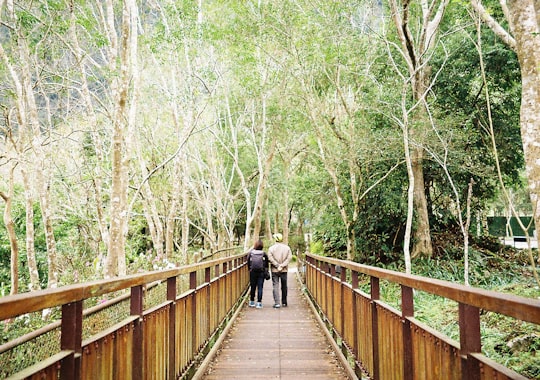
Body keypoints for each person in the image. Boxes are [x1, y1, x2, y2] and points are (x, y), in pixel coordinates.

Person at [268, 233, 292, 308]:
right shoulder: (287, 248)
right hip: (284, 270)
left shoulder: (271, 248)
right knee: (284, 286)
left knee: (275, 285)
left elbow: (270, 258)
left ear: (275, 239)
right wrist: (282, 265)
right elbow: (289, 258)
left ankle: (277, 303)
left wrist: (277, 265)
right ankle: (284, 302)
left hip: (275, 270)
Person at [247, 239, 268, 309]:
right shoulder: (263, 253)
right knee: (260, 287)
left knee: (253, 286)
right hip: (261, 272)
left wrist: (249, 268)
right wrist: (265, 269)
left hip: (252, 271)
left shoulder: (251, 253)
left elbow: (248, 260)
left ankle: (252, 301)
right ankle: (259, 303)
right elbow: (267, 262)